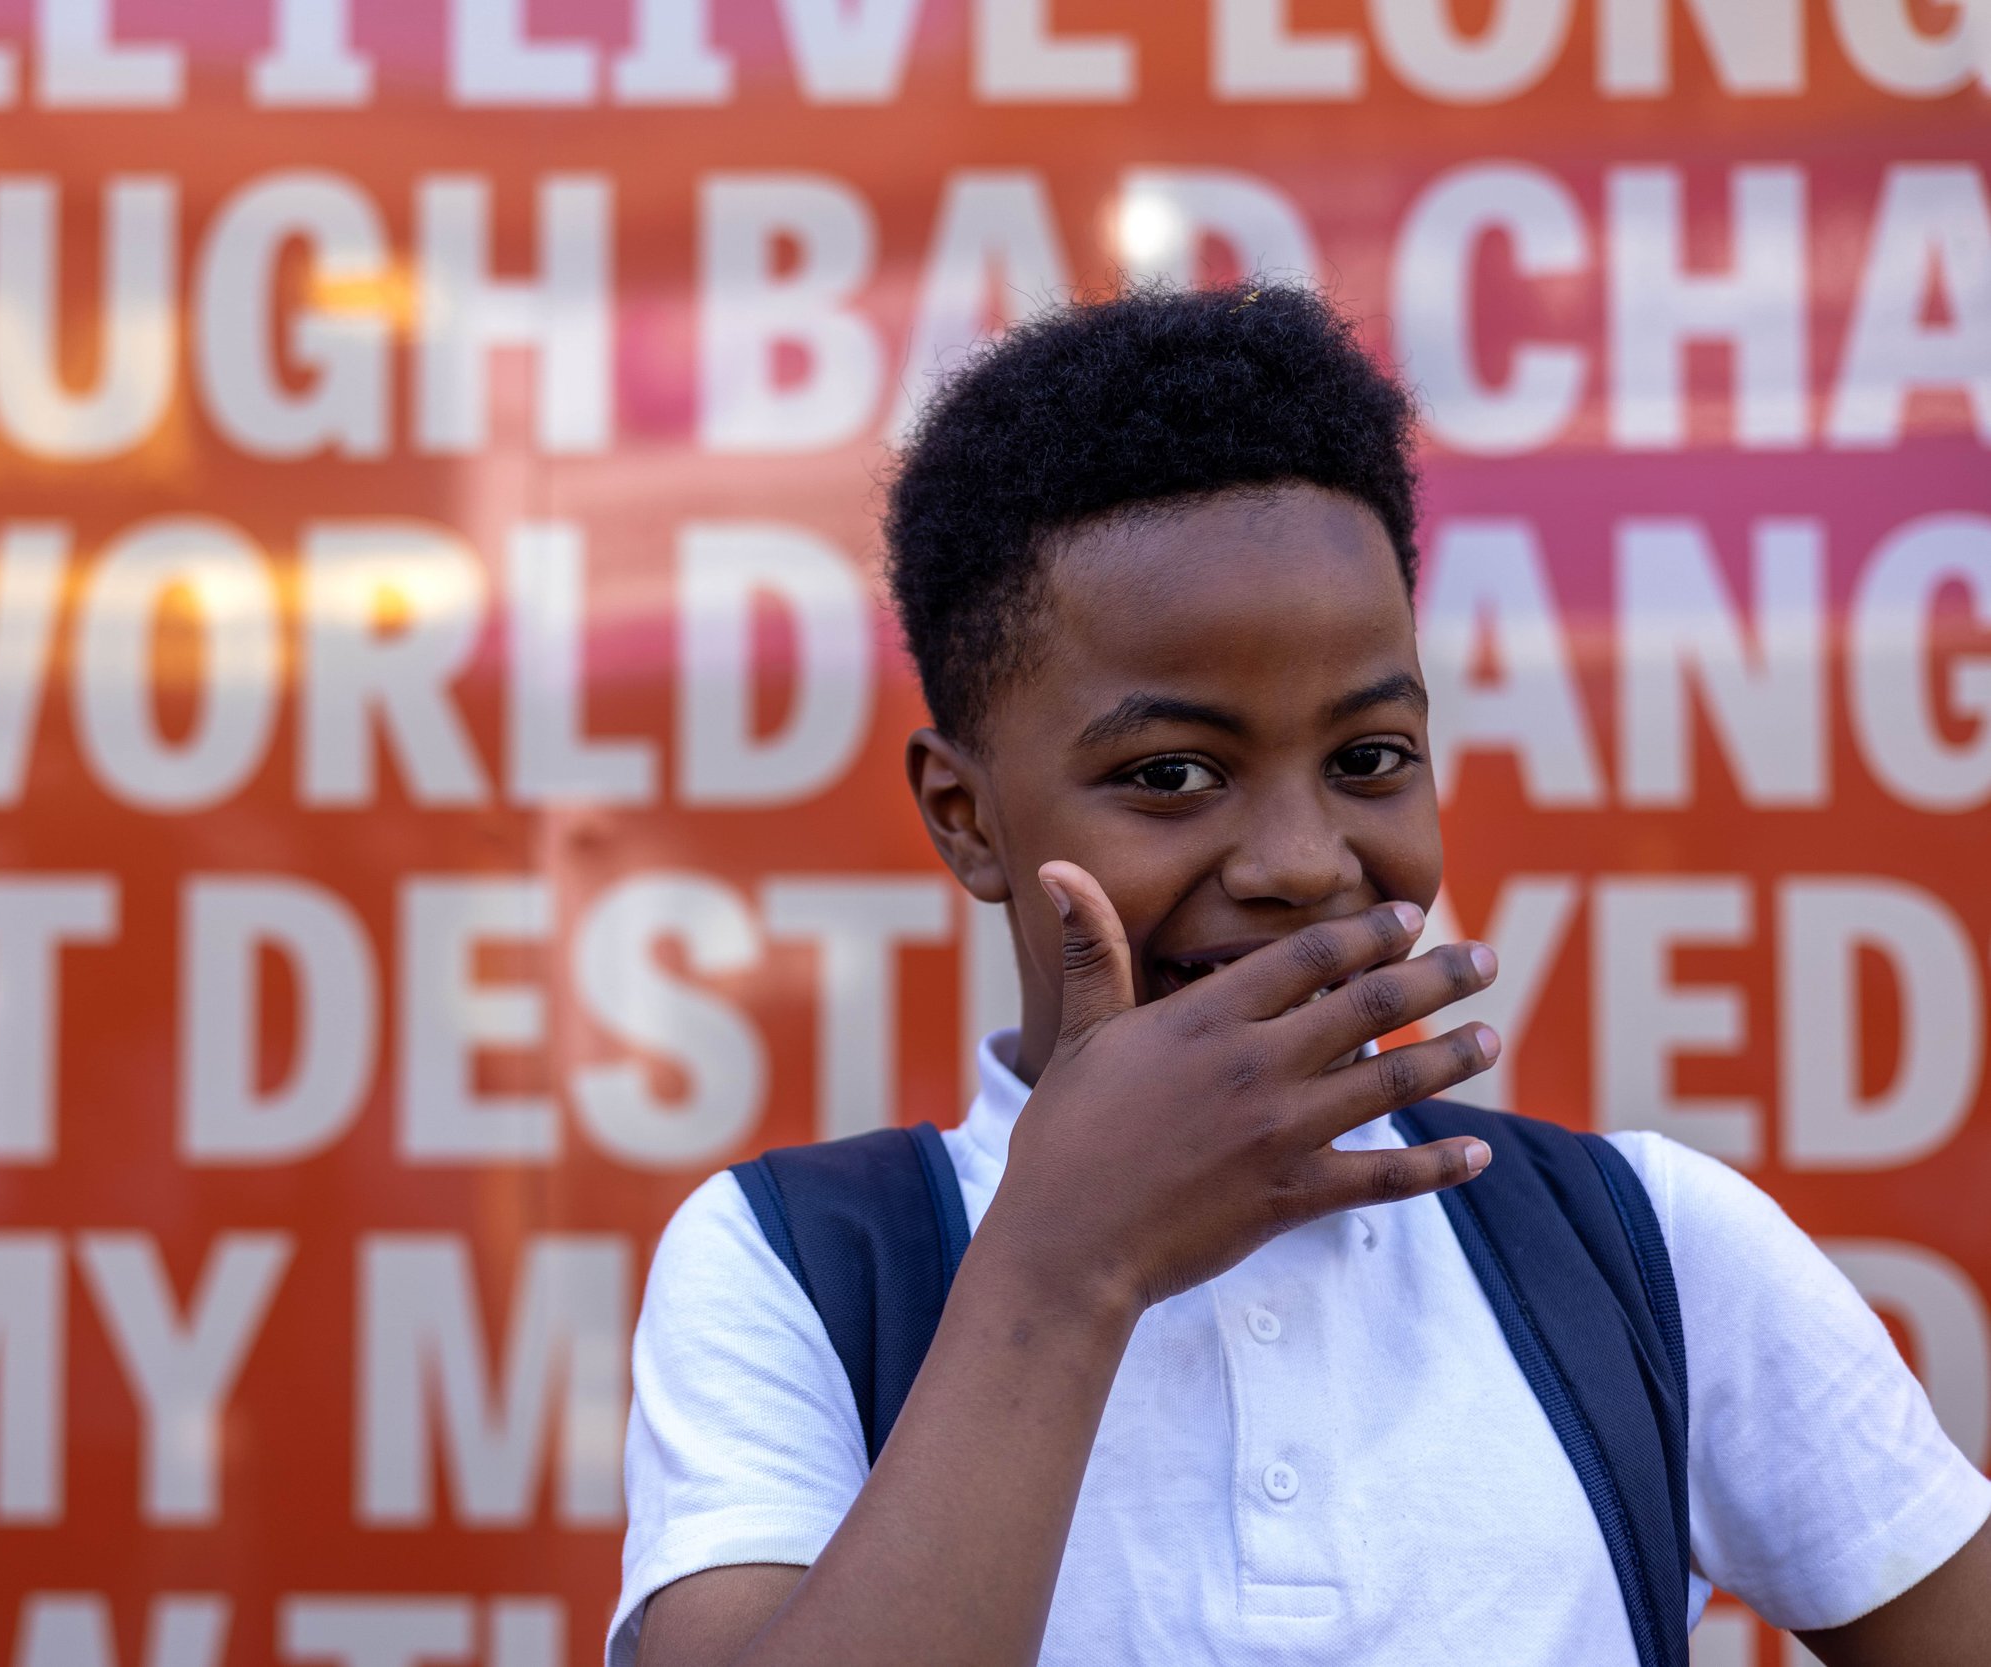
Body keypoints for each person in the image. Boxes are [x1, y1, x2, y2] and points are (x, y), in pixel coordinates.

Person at [608, 284, 1991, 1666]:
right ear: (967, 820)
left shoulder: (1650, 1250)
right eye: (1171, 775)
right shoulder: (794, 1263)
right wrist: (1064, 1267)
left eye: (1370, 757)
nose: (1300, 860)